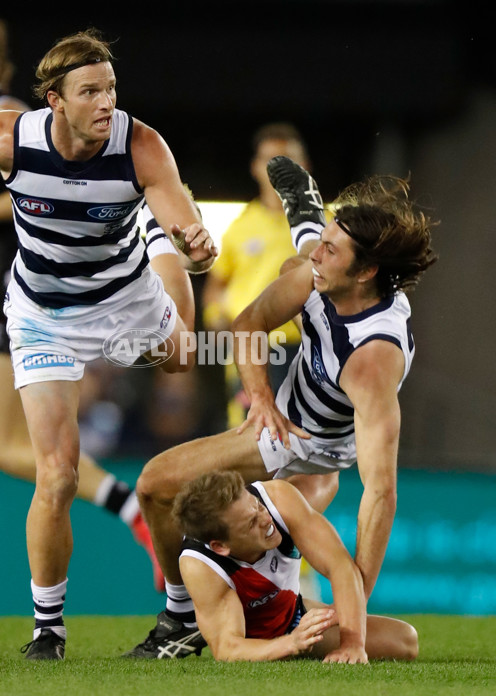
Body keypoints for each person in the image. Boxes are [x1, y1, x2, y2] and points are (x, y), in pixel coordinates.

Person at [0, 27, 217, 659]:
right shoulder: (8, 137)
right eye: (90, 92)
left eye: (110, 88)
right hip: (43, 314)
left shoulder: (141, 146)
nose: (106, 102)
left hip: (125, 298)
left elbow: (180, 210)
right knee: (55, 475)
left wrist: (190, 240)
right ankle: (47, 630)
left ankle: (157, 261)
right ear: (54, 99)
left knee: (185, 355)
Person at [125, 158, 436, 658]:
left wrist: (353, 626)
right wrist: (261, 401)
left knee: (156, 485)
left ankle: (190, 621)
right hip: (285, 419)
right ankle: (183, 615)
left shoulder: (372, 362)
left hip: (315, 441)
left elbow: (380, 493)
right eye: (325, 241)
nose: (321, 257)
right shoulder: (323, 277)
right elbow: (247, 325)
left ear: (368, 271)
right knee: (296, 267)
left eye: (332, 249)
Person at [202, 122, 325, 598]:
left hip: (307, 354)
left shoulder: (327, 221)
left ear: (304, 168)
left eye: (287, 161)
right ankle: (255, 574)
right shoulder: (239, 226)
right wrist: (217, 314)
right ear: (254, 168)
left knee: (303, 467)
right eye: (269, 161)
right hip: (255, 356)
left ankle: (300, 576)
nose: (276, 171)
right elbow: (216, 285)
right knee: (252, 464)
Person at [158, 470, 418, 662]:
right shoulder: (200, 565)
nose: (265, 519)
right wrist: (291, 644)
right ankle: (200, 627)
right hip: (257, 637)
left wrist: (351, 644)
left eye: (257, 507)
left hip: (294, 613)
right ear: (220, 547)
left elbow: (341, 567)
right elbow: (228, 649)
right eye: (250, 524)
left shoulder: (279, 499)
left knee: (406, 641)